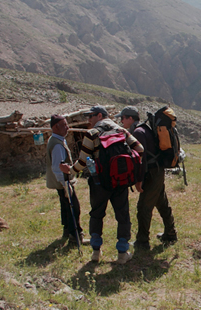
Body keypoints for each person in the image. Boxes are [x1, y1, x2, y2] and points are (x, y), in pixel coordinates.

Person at [60, 105, 144, 264]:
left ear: (99, 116)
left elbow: (82, 162)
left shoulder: (91, 134)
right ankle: (122, 253)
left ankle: (96, 253)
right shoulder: (121, 131)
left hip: (99, 182)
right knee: (123, 216)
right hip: (120, 181)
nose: (88, 120)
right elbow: (140, 148)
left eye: (90, 116)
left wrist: (70, 170)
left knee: (97, 214)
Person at [117, 106, 178, 250]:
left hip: (151, 173)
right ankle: (170, 233)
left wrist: (139, 181)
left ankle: (142, 241)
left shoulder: (138, 132)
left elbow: (141, 159)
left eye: (123, 118)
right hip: (157, 171)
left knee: (144, 207)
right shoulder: (144, 129)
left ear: (130, 118)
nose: (121, 121)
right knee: (161, 203)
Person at [45, 114, 85, 247]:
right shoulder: (56, 144)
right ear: (56, 127)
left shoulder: (57, 140)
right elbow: (57, 167)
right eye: (64, 125)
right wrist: (65, 184)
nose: (67, 128)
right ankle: (76, 236)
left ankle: (67, 231)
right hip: (64, 182)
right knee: (74, 208)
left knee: (66, 207)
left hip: (61, 182)